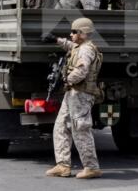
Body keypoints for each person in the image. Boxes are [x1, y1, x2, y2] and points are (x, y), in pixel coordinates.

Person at [43, 18, 103, 179]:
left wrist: (67, 79)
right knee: (61, 126)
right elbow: (71, 46)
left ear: (83, 33)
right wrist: (56, 40)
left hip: (81, 94)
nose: (71, 34)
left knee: (80, 129)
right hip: (73, 93)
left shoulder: (86, 50)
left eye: (74, 32)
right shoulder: (80, 46)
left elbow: (82, 70)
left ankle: (91, 167)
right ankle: (63, 165)